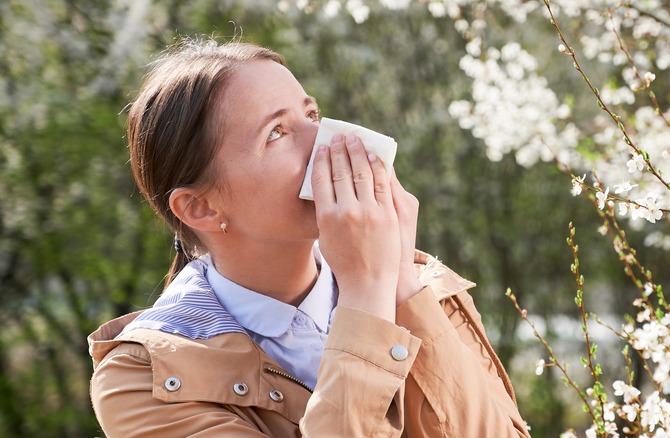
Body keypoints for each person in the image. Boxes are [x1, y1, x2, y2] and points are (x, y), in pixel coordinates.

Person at [88, 38, 531, 437]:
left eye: (312, 114)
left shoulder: (426, 290)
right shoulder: (142, 381)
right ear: (200, 208)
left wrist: (397, 284)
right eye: (277, 133)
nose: (326, 141)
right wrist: (365, 295)